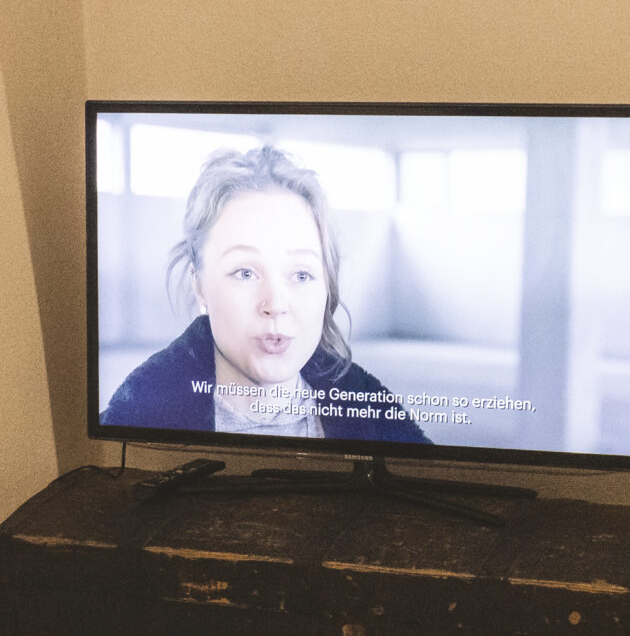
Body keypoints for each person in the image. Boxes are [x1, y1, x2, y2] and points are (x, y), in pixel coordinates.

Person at [102, 145, 429, 444]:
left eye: (301, 275)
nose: (275, 304)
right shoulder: (128, 431)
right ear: (198, 284)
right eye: (245, 273)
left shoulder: (380, 426)